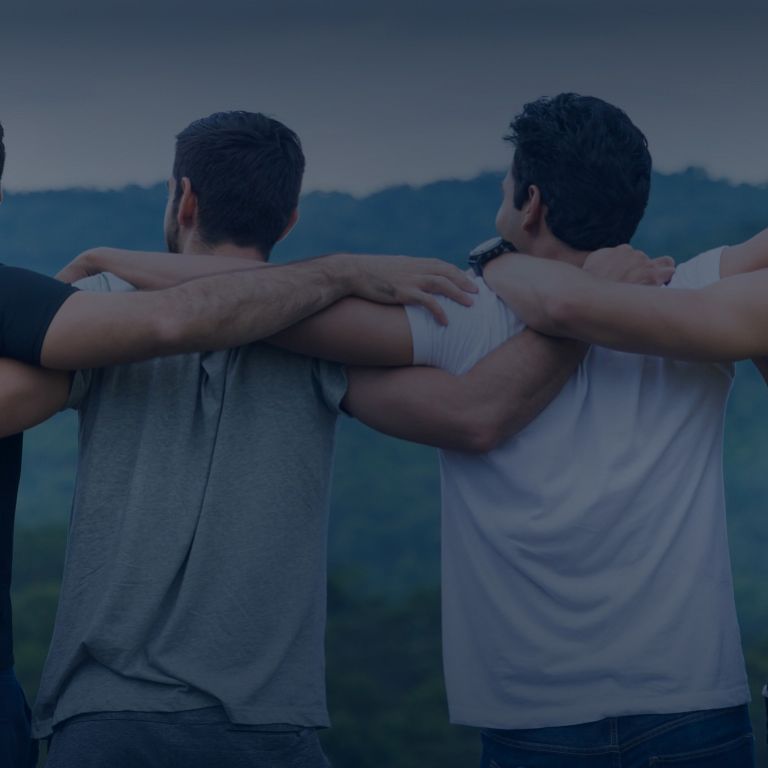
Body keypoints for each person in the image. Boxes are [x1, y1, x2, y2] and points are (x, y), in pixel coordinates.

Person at [56, 95, 757, 766]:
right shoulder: (693, 294)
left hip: (534, 714)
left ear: (531, 202)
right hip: (695, 701)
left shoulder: (463, 310)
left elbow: (258, 304)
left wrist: (106, 262)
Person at [0, 118, 477, 768]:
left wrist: (92, 267)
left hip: (106, 718)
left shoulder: (102, 309)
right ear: (289, 220)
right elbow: (475, 415)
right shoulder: (327, 328)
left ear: (184, 199)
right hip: (267, 723)